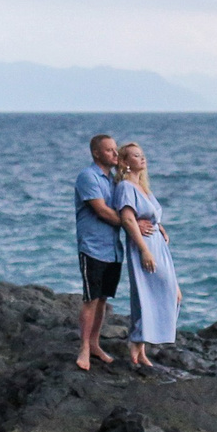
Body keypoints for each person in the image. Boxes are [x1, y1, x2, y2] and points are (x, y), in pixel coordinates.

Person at [112, 142, 180, 370]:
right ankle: (135, 343)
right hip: (145, 246)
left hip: (158, 246)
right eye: (136, 156)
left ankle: (140, 347)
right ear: (125, 162)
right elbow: (129, 219)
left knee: (170, 293)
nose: (142, 159)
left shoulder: (143, 187)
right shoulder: (125, 187)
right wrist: (144, 250)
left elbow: (151, 215)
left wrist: (160, 227)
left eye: (143, 155)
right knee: (146, 293)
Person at [73, 133, 125, 371]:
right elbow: (102, 211)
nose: (115, 154)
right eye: (109, 150)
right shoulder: (88, 176)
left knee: (103, 299)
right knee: (91, 299)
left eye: (116, 150)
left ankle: (95, 344)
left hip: (113, 250)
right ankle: (83, 347)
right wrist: (130, 225)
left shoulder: (114, 180)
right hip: (92, 247)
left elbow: (130, 206)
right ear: (96, 153)